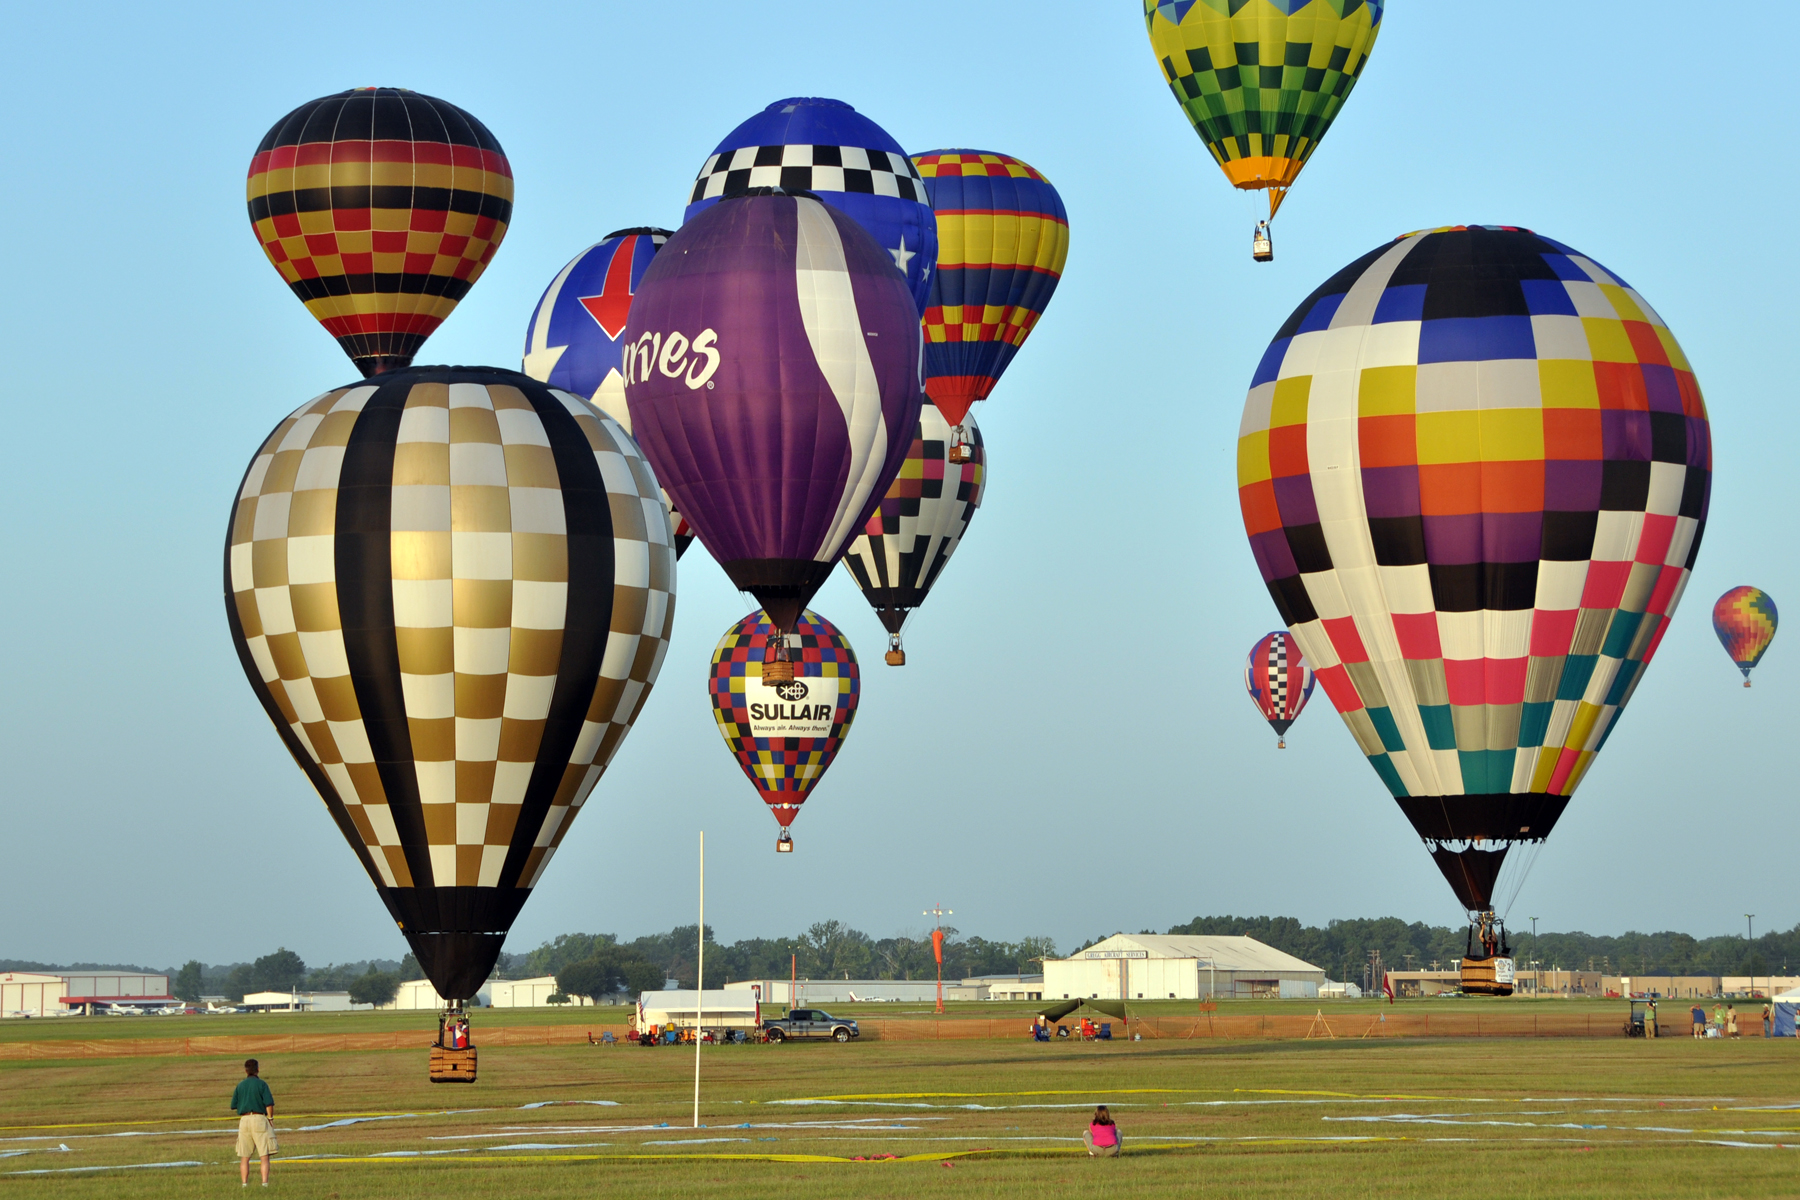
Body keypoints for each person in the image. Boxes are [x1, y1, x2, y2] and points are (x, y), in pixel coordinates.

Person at [231, 1058, 277, 1187]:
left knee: (244, 1156)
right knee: (264, 1155)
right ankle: (264, 1183)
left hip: (244, 1120)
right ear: (258, 1069)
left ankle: (244, 1184)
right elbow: (269, 1104)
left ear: (245, 1071)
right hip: (259, 1119)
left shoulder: (240, 1085)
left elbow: (234, 1105)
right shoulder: (262, 1084)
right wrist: (270, 1118)